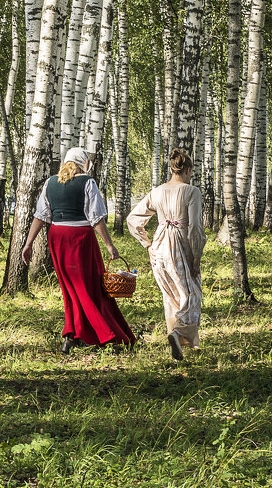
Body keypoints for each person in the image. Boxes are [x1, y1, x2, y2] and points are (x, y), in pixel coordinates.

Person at [22, 147, 135, 352]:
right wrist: (109, 245)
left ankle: (72, 335)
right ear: (84, 163)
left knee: (70, 289)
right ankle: (104, 334)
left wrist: (28, 243)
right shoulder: (87, 182)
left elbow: (40, 215)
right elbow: (96, 217)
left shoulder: (51, 182)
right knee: (89, 287)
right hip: (80, 238)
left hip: (57, 238)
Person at [127, 148, 206, 361]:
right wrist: (196, 256)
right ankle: (179, 333)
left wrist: (148, 245)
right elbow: (195, 228)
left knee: (171, 294)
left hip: (160, 245)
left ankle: (181, 344)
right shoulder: (191, 192)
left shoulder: (157, 192)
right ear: (187, 169)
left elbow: (133, 219)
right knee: (191, 293)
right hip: (180, 243)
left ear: (171, 169)